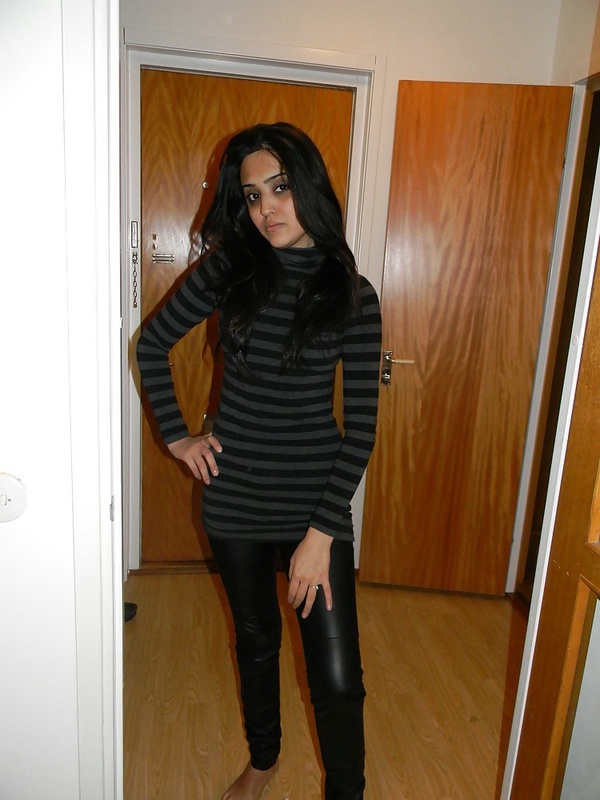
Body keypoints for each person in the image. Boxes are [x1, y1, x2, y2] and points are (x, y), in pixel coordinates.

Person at [136, 122, 381, 800]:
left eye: (280, 188)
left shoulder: (354, 295)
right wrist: (178, 438)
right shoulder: (229, 272)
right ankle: (264, 760)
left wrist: (320, 535)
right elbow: (151, 344)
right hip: (235, 500)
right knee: (256, 643)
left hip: (315, 505)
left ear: (309, 188)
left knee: (337, 677)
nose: (267, 209)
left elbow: (361, 427)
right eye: (251, 196)